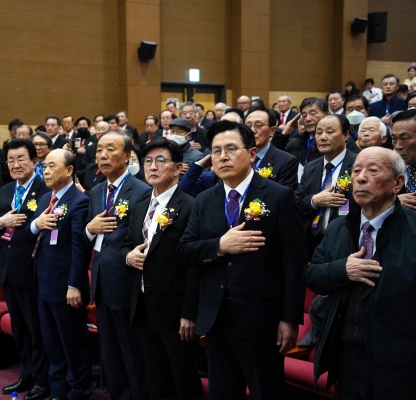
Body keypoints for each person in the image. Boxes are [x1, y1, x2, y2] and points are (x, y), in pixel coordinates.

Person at [178, 121, 307, 399]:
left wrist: (290, 318)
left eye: (230, 149)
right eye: (216, 151)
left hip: (262, 319)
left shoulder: (278, 195)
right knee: (223, 392)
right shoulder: (204, 199)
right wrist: (220, 246)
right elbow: (186, 251)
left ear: (251, 154)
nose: (222, 156)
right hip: (215, 317)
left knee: (266, 391)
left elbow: (296, 264)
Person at [304, 146, 416, 399]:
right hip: (347, 354)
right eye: (356, 171)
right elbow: (312, 276)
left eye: (373, 171)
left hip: (399, 358)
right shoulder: (339, 228)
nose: (361, 177)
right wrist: (342, 269)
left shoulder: (412, 228)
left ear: (398, 183)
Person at [121, 137, 204, 400]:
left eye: (160, 160)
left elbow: (195, 265)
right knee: (155, 381)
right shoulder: (140, 207)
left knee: (185, 380)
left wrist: (189, 313)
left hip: (176, 311)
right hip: (144, 307)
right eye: (147, 161)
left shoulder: (191, 206)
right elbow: (125, 245)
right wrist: (128, 256)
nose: (152, 167)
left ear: (179, 167)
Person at [85, 131, 151, 400]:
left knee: (132, 351)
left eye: (110, 150)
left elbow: (138, 238)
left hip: (126, 281)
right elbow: (91, 235)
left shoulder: (142, 190)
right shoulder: (97, 190)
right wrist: (89, 230)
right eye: (99, 150)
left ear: (127, 155)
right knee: (110, 351)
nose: (102, 156)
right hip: (101, 280)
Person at [24, 149, 93, 400]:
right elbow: (29, 233)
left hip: (66, 287)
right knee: (51, 343)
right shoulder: (45, 200)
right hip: (43, 283)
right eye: (44, 166)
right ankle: (58, 391)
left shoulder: (79, 201)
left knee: (72, 344)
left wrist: (74, 284)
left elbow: (79, 249)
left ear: (70, 170)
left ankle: (79, 391)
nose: (46, 171)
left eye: (52, 166)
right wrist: (35, 224)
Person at [0, 139, 51, 399]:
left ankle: (42, 379)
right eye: (11, 160)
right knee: (20, 328)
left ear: (34, 162)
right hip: (8, 269)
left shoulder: (45, 189)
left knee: (37, 328)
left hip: (33, 269)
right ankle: (25, 374)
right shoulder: (4, 191)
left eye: (21, 159)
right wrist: (1, 221)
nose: (15, 165)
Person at [295, 114, 358, 257]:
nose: (323, 137)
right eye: (319, 132)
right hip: (312, 243)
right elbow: (296, 203)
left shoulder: (358, 164)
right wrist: (314, 201)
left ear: (345, 135)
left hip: (347, 243)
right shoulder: (310, 167)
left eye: (330, 132)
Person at [245, 106, 299, 190]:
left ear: (272, 131)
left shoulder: (286, 161)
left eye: (258, 125)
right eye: (248, 126)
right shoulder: (237, 157)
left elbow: (284, 197)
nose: (252, 130)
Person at [391, 109, 416, 211]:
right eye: (394, 139)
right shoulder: (387, 168)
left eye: (404, 138)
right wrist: (392, 203)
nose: (398, 146)